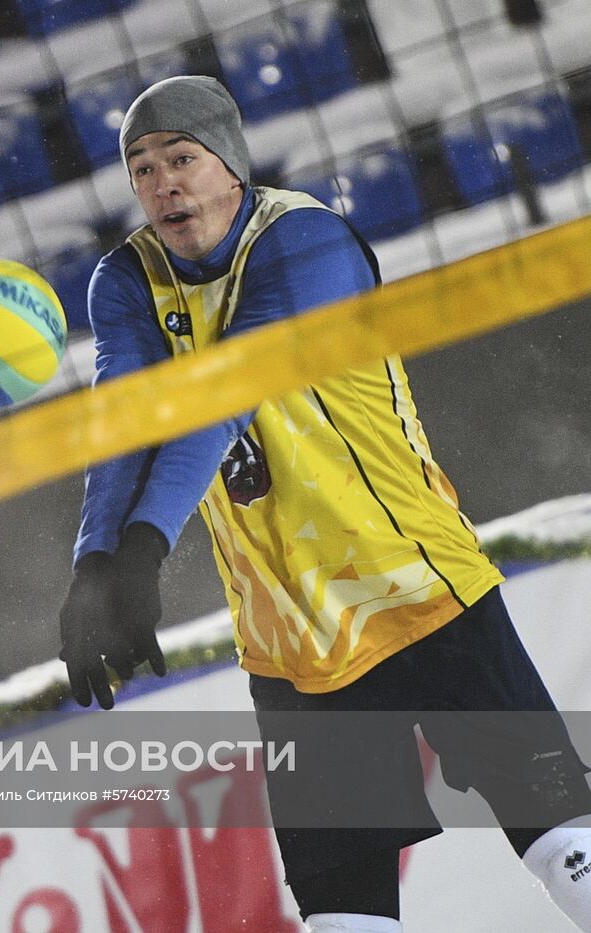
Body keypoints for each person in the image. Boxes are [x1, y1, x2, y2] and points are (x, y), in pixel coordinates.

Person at [57, 75, 591, 933]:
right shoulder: (124, 280)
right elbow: (124, 424)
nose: (163, 184)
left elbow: (224, 396)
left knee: (566, 846)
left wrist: (147, 547)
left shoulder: (305, 242)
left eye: (182, 159)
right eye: (142, 169)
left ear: (229, 164)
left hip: (414, 584)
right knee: (344, 914)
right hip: (291, 638)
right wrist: (94, 562)